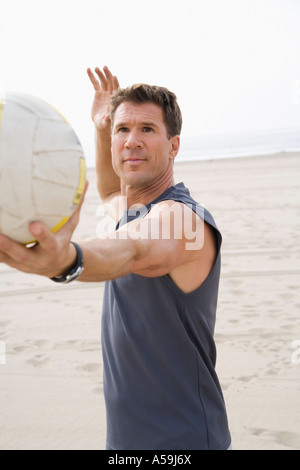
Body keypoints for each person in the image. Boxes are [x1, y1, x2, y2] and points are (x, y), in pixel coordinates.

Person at [0, 66, 231, 450]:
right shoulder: (133, 210)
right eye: (123, 130)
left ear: (174, 146)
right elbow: (109, 191)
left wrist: (68, 260)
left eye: (147, 129)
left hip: (185, 443)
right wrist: (100, 126)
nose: (131, 141)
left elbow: (131, 250)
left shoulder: (182, 219)